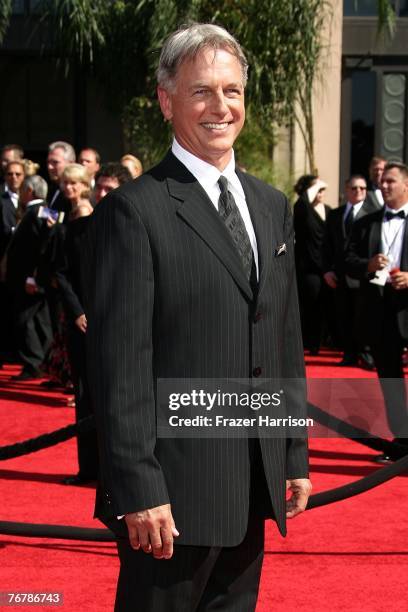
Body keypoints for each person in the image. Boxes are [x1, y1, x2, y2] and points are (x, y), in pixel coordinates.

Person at [83, 23, 311, 612]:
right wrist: (139, 487)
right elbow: (120, 366)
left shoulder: (270, 205)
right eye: (202, 91)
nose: (221, 107)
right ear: (166, 100)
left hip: (254, 485)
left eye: (232, 91)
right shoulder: (134, 212)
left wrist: (291, 454)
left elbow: (281, 335)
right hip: (170, 502)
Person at [346, 162, 408, 463]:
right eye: (382, 182)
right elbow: (347, 260)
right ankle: (403, 442)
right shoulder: (365, 223)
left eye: (391, 181)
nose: (384, 186)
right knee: (390, 381)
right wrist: (367, 266)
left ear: (406, 185)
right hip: (381, 313)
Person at [323, 174, 380, 367]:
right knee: (343, 316)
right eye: (354, 188)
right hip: (339, 277)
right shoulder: (335, 214)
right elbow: (327, 246)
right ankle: (348, 353)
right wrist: (327, 271)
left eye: (363, 188)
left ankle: (366, 354)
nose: (358, 192)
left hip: (364, 276)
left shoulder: (374, 214)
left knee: (364, 317)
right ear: (346, 190)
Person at [294, 175, 331, 354]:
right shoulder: (303, 209)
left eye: (322, 189)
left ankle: (324, 340)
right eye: (317, 188)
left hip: (328, 268)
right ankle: (310, 343)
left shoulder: (330, 211)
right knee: (310, 306)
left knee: (327, 307)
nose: (321, 191)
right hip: (309, 268)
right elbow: (302, 202)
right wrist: (317, 183)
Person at [46, 141, 76, 214]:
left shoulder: (76, 192)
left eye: (55, 162)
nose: (49, 167)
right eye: (48, 162)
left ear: (70, 163)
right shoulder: (51, 190)